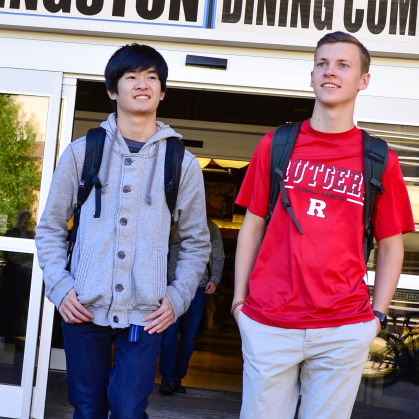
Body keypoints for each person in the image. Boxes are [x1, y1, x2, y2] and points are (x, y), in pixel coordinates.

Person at [232, 31, 415, 419]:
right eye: (322, 63)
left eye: (343, 65)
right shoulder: (277, 143)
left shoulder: (380, 158)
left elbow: (390, 245)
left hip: (343, 326)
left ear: (363, 81)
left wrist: (376, 318)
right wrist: (238, 303)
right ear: (312, 75)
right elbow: (252, 225)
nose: (330, 72)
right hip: (268, 321)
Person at [35, 44, 210, 419]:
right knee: (86, 409)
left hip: (145, 315)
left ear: (162, 92)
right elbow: (49, 228)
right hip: (82, 307)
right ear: (113, 90)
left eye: (152, 77)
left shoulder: (183, 163)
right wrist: (60, 286)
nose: (142, 84)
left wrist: (177, 298)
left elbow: (195, 243)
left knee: (129, 410)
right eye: (131, 76)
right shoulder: (82, 153)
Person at [159, 219, 225, 395]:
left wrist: (214, 279)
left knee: (188, 338)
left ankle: (177, 378)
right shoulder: (171, 223)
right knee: (169, 336)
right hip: (171, 286)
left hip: (199, 289)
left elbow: (218, 255)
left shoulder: (211, 228)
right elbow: (160, 253)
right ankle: (167, 380)